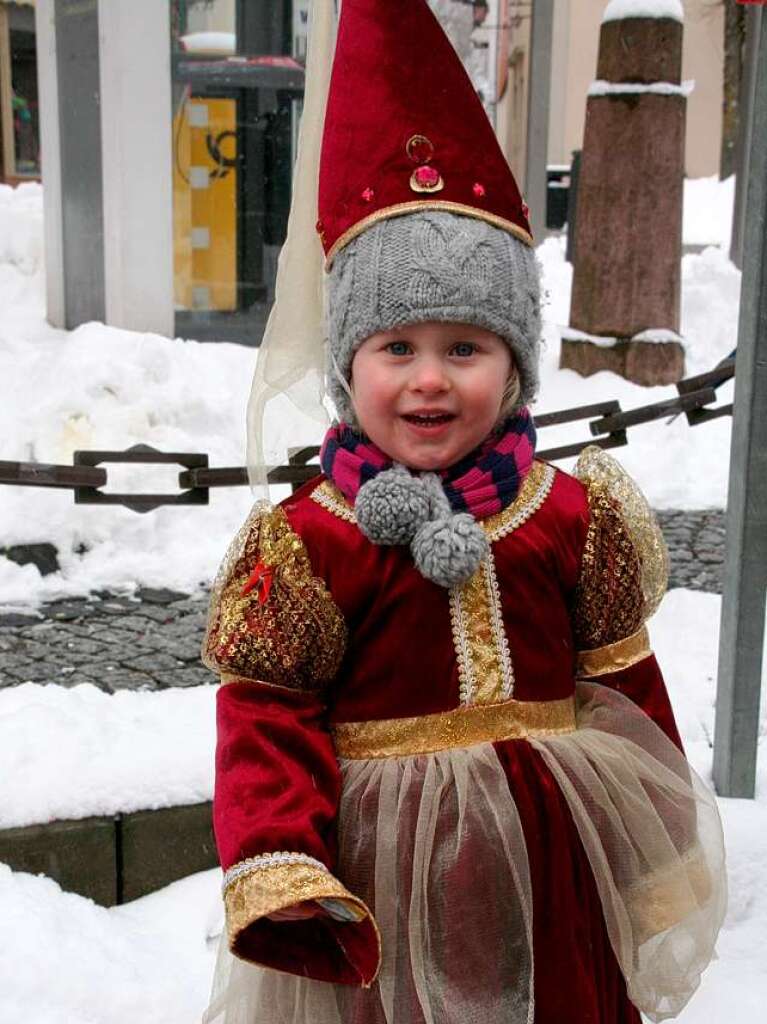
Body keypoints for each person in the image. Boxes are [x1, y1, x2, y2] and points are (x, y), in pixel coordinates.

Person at [201, 2, 726, 1022]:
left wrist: (650, 844)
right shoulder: (310, 542)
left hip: (548, 865)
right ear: (350, 367)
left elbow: (621, 682)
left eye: (465, 348)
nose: (430, 381)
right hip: (385, 882)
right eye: (396, 349)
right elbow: (266, 715)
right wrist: (285, 863)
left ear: (515, 363)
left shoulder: (566, 515)